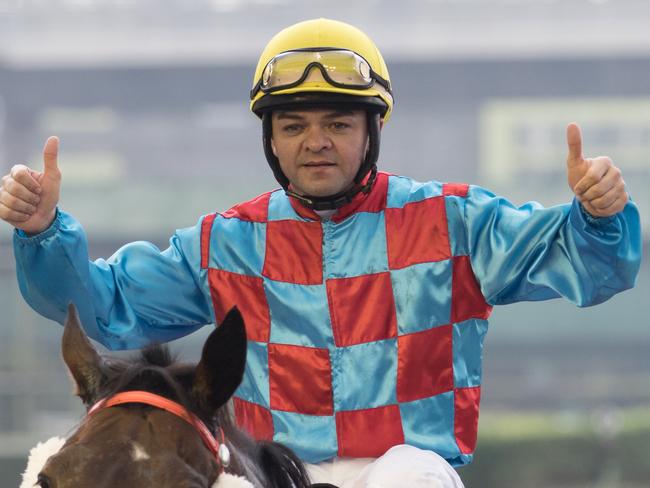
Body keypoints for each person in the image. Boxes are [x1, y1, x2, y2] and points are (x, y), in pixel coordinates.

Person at [0, 18, 641, 488]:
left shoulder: (455, 220)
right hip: (269, 472)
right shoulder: (225, 240)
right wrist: (44, 231)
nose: (316, 143)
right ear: (271, 142)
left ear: (372, 131)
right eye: (293, 126)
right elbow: (102, 308)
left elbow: (585, 263)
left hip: (406, 471)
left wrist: (600, 215)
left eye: (337, 123)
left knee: (409, 477)